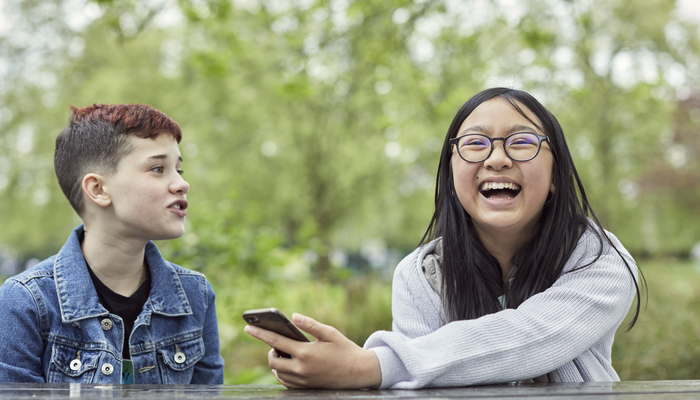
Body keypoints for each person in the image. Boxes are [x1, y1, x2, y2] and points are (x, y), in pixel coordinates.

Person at [245, 87, 642, 389]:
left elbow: (533, 336)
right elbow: (425, 386)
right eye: (475, 143)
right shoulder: (418, 275)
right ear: (451, 176)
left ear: (555, 175)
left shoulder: (601, 260)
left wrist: (374, 366)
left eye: (521, 142)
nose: (497, 158)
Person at [0, 104, 225, 383]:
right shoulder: (26, 302)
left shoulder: (196, 294)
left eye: (178, 169)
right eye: (158, 168)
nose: (182, 184)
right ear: (98, 189)